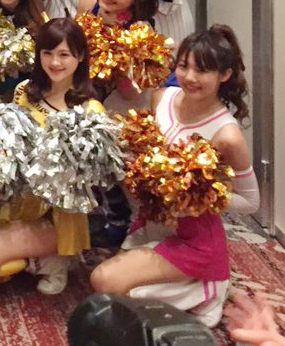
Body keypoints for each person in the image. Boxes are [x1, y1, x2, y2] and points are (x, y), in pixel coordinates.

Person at [90, 25, 259, 327]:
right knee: (112, 292)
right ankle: (191, 289)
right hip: (152, 222)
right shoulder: (162, 98)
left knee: (105, 282)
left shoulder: (228, 135)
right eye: (183, 66)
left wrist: (199, 195)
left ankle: (210, 286)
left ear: (225, 75)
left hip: (195, 238)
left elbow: (251, 202)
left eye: (202, 70)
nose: (190, 77)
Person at [0, 18, 125, 295]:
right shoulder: (25, 91)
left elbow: (95, 180)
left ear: (80, 56)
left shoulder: (91, 110)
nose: (55, 62)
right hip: (19, 204)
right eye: (47, 53)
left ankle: (54, 259)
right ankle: (38, 260)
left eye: (64, 54)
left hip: (58, 217)